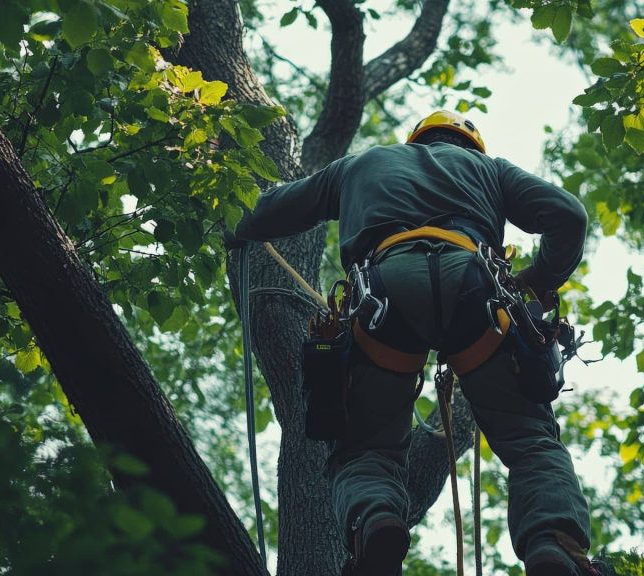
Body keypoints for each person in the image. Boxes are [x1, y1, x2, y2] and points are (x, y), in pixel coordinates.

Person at [233, 111, 592, 576]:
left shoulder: (360, 165)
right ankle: (553, 545)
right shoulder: (491, 170)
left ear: (416, 139)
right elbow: (569, 215)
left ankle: (376, 522)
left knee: (366, 450)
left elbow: (272, 208)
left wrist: (233, 223)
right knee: (531, 443)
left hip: (384, 297)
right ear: (470, 145)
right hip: (476, 292)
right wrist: (536, 280)